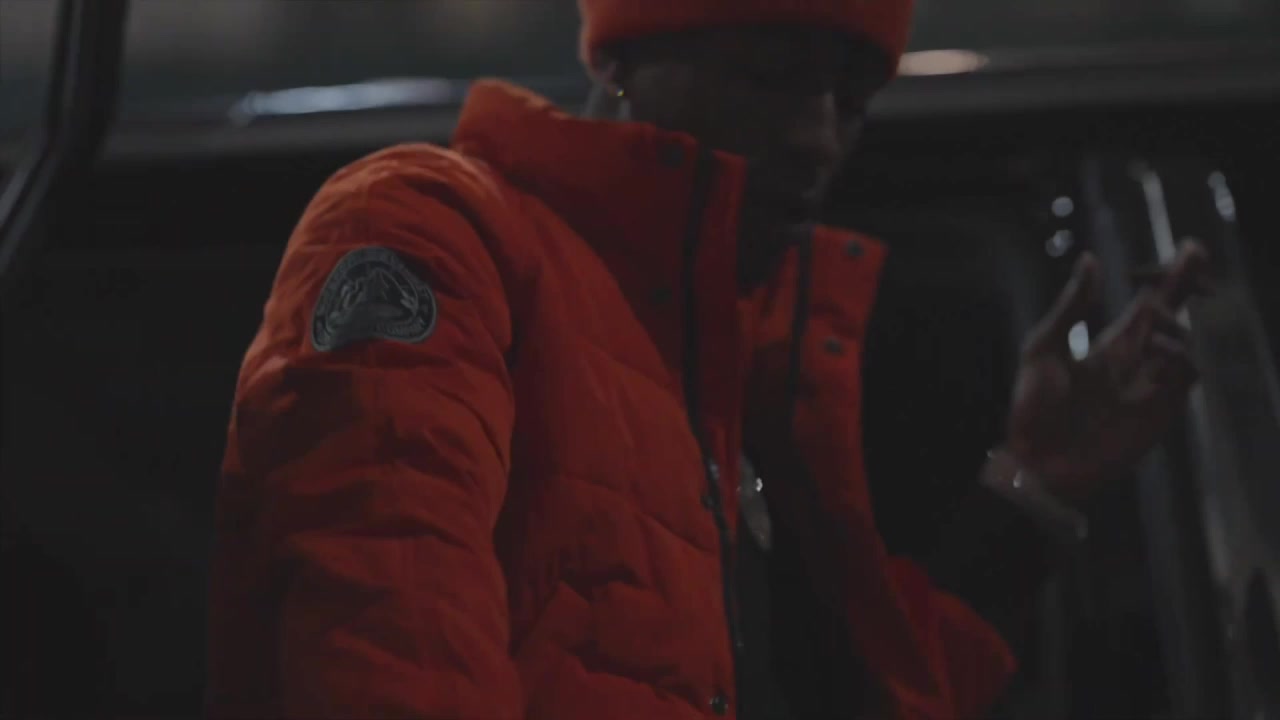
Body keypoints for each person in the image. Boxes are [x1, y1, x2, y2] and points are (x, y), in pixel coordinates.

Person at [206, 1, 1211, 718]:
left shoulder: (739, 363)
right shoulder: (435, 231)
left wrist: (1034, 486)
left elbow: (852, 693)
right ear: (621, 59)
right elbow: (385, 641)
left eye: (852, 98)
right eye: (770, 75)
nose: (818, 136)